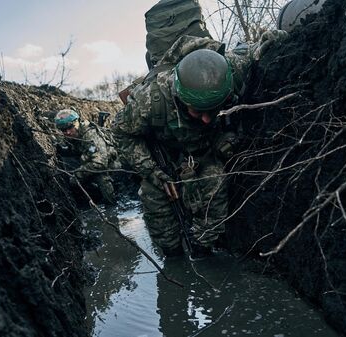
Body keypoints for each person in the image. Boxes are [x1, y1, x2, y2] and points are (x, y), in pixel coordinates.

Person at [112, 32, 286, 260]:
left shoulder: (232, 70)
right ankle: (173, 257)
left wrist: (272, 40)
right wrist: (153, 171)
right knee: (159, 215)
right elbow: (121, 132)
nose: (206, 119)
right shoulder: (150, 100)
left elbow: (256, 49)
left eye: (213, 110)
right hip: (163, 156)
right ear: (180, 96)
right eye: (197, 110)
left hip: (203, 150)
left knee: (215, 187)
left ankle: (202, 251)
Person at [54, 109, 119, 205]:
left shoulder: (90, 135)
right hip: (92, 162)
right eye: (63, 130)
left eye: (70, 127)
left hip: (113, 166)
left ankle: (112, 204)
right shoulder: (75, 134)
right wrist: (62, 150)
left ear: (77, 122)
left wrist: (78, 174)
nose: (67, 132)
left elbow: (100, 163)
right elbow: (77, 150)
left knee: (100, 176)